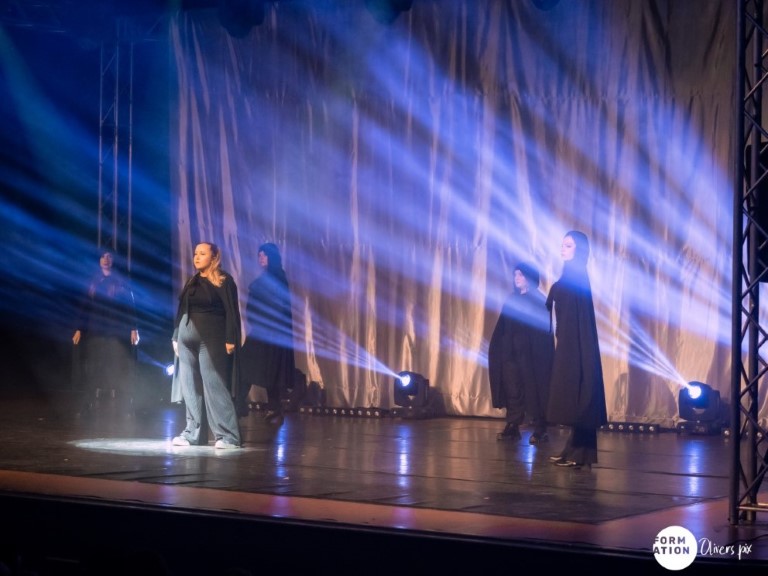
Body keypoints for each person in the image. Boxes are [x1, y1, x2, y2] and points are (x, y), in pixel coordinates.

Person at [171, 242, 242, 449]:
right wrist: (175, 336)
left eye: (202, 253)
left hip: (211, 338)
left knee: (214, 384)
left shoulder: (224, 280)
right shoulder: (192, 281)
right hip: (186, 339)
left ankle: (228, 436)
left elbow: (231, 311)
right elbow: (181, 310)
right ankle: (192, 433)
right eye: (195, 253)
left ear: (214, 257)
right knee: (190, 386)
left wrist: (230, 338)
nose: (197, 257)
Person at [546, 231, 607, 469]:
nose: (563, 249)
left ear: (579, 250)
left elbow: (579, 316)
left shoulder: (578, 276)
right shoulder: (570, 275)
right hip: (568, 342)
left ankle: (581, 455)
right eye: (563, 244)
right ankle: (574, 449)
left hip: (577, 344)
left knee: (581, 395)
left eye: (569, 245)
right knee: (575, 397)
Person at [488, 261, 554, 444]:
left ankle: (540, 427)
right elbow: (503, 326)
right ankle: (513, 425)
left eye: (521, 275)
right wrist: (502, 349)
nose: (517, 278)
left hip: (532, 354)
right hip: (511, 353)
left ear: (529, 277)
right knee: (512, 388)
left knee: (535, 389)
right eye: (515, 274)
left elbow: (543, 331)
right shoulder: (511, 299)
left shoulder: (540, 301)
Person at [72, 249, 139, 413]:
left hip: (116, 328)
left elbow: (129, 305)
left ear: (113, 260)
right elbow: (85, 305)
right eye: (103, 256)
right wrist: (79, 328)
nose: (106, 259)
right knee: (95, 362)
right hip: (96, 328)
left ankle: (118, 396)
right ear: (99, 260)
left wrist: (134, 328)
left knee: (116, 362)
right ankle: (92, 396)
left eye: (109, 257)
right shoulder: (93, 280)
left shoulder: (120, 281)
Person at [240, 242, 296, 425]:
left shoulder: (277, 278)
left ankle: (271, 407)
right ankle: (241, 403)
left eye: (264, 255)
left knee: (267, 369)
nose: (261, 258)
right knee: (252, 366)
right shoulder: (267, 277)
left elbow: (278, 306)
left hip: (271, 332)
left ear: (272, 256)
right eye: (259, 255)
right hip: (262, 331)